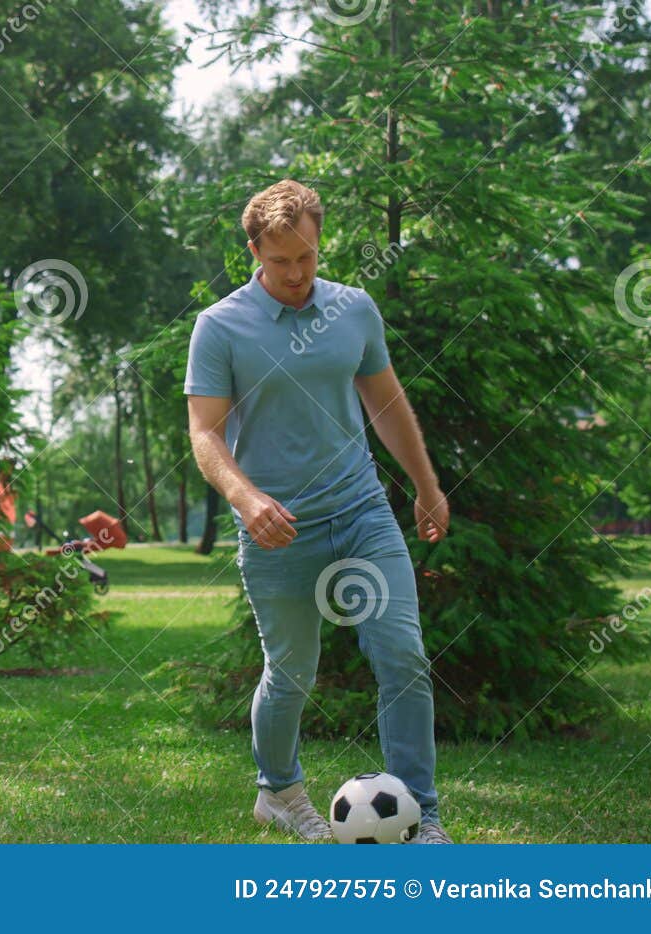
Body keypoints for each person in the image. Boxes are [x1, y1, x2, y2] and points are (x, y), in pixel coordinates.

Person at [183, 180, 452, 844]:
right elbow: (205, 434)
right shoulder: (220, 326)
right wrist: (247, 501)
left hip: (360, 510)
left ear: (318, 240)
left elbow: (386, 405)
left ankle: (421, 814)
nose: (297, 274)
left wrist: (425, 483)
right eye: (281, 262)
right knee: (292, 670)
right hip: (277, 530)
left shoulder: (354, 310)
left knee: (403, 654)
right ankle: (278, 791)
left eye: (306, 257)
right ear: (253, 251)